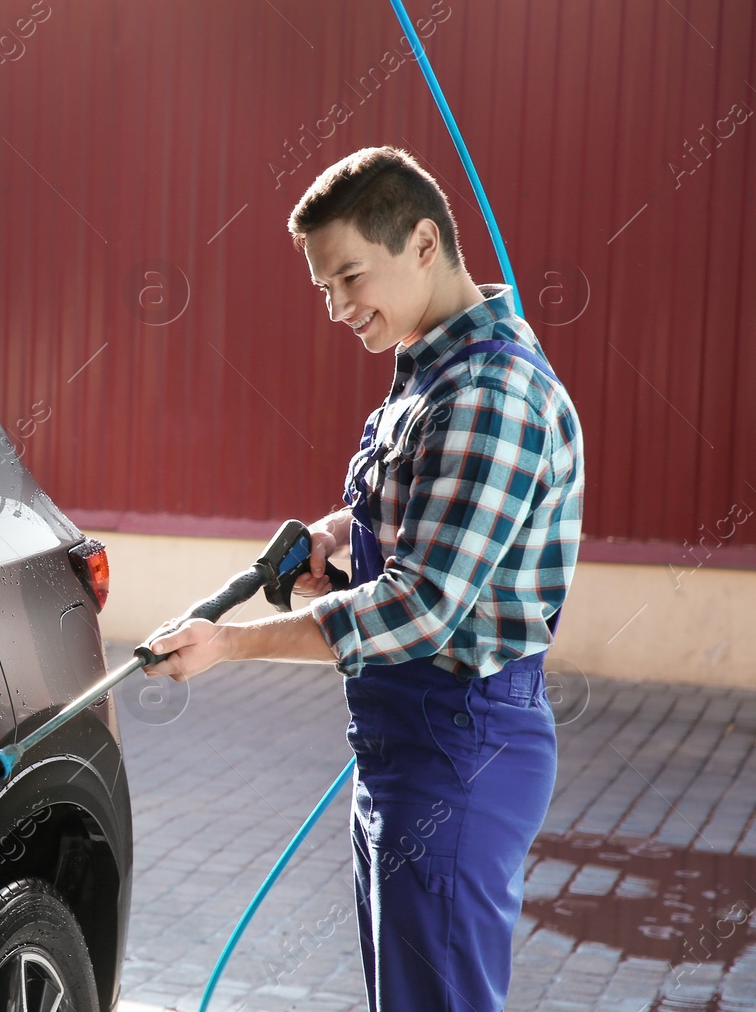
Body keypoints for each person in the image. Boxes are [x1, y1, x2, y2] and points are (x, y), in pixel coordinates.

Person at [144, 145, 585, 1011]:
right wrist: (336, 533)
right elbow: (430, 505)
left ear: (424, 243)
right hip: (404, 744)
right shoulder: (434, 371)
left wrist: (228, 643)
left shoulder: (490, 393)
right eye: (323, 289)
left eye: (350, 276)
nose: (339, 307)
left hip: (457, 748)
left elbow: (422, 606)